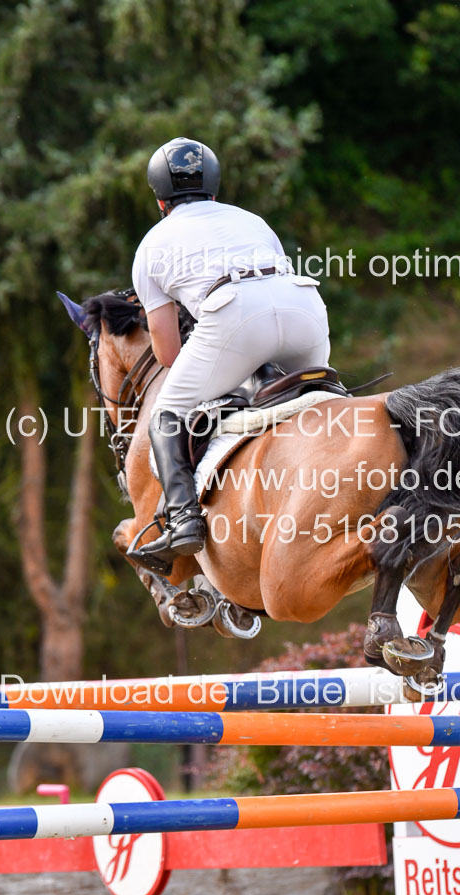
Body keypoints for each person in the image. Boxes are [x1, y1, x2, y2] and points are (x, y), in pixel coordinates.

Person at [129, 137, 331, 573]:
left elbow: (168, 353)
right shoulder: (252, 220)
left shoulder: (151, 244)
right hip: (305, 310)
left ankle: (184, 520)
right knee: (325, 400)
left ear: (160, 199)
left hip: (234, 317)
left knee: (166, 414)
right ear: (214, 189)